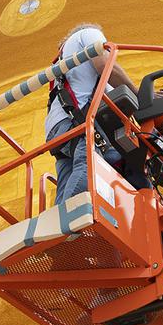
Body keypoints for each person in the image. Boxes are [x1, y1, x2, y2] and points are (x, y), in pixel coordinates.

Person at [45, 23, 139, 203]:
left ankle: (58, 225)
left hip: (57, 129)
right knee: (90, 163)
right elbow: (105, 66)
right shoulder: (88, 34)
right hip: (75, 123)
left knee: (67, 175)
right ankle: (72, 221)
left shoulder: (66, 64)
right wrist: (139, 93)